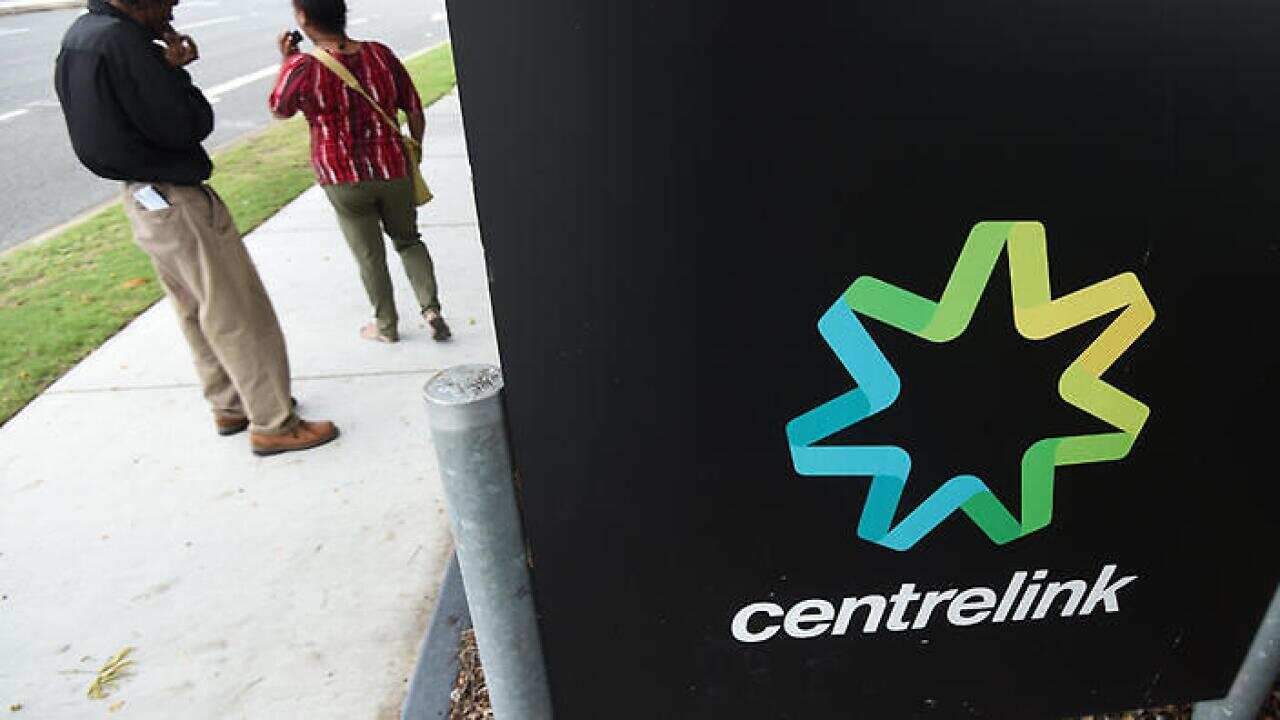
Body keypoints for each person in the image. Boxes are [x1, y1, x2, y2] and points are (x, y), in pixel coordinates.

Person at [54, 0, 339, 456]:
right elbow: (187, 124)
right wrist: (174, 71)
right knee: (236, 309)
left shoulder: (82, 36)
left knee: (194, 306)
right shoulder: (126, 43)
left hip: (143, 196)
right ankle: (274, 422)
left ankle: (230, 403)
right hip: (176, 195)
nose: (174, 4)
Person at [269, 0, 452, 344]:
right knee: (409, 240)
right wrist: (417, 149)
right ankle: (431, 309)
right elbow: (413, 108)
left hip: (342, 176)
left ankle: (386, 327)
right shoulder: (380, 54)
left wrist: (286, 60)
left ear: (304, 18)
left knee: (369, 256)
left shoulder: (302, 66)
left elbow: (279, 108)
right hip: (392, 167)